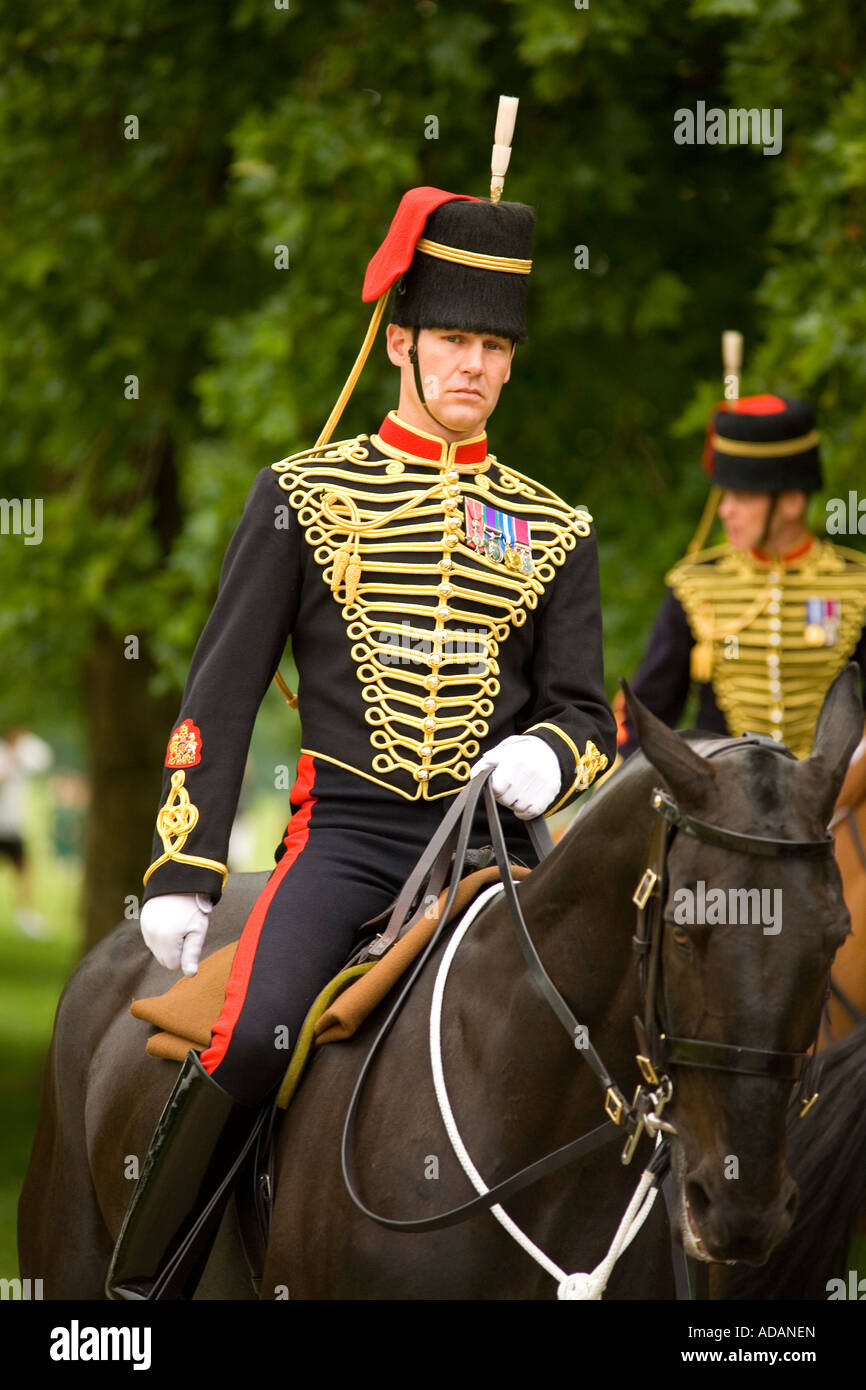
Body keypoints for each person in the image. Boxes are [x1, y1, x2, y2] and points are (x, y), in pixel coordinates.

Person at [107, 166, 616, 1298]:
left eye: (493, 348)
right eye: (450, 341)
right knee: (250, 1042)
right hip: (346, 839)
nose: (473, 366)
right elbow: (220, 690)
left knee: (624, 1051)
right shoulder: (302, 493)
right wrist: (185, 868)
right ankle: (148, 1286)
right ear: (400, 340)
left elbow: (587, 711)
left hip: (491, 849)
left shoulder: (552, 525)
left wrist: (548, 755)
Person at [616, 394, 866, 759]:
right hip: (723, 798)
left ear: (793, 501)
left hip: (837, 797)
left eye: (743, 496)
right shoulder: (695, 586)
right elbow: (650, 712)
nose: (726, 511)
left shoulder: (854, 585)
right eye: (724, 495)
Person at [0, 726, 53, 936]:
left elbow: (43, 757)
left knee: (24, 871)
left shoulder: (18, 758)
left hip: (11, 826)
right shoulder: (3, 756)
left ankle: (25, 915)